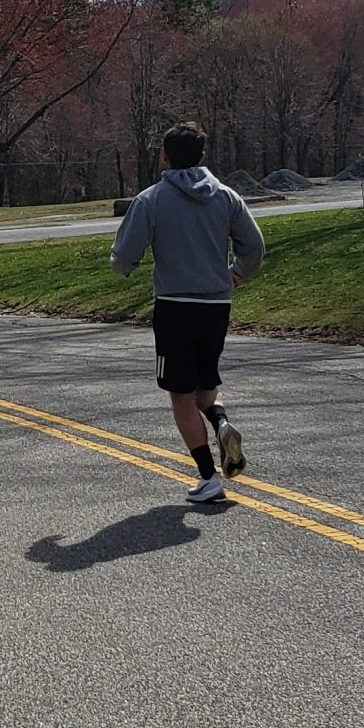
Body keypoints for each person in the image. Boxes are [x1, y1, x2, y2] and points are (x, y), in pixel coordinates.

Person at [110, 121, 267, 503]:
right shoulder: (227, 197)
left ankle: (207, 476)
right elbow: (255, 246)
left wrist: (126, 264)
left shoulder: (151, 200)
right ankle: (222, 422)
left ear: (164, 156)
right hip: (217, 305)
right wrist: (237, 274)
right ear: (202, 155)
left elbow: (124, 258)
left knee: (180, 395)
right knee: (206, 384)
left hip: (175, 306)